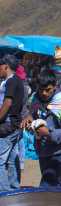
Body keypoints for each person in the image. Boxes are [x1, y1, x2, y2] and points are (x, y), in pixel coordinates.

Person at [0, 54, 24, 191]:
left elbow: (7, 103)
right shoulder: (17, 80)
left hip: (8, 125)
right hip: (14, 125)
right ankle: (14, 188)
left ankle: (4, 192)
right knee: (11, 158)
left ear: (6, 66)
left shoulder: (11, 80)